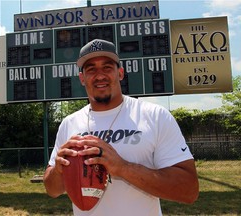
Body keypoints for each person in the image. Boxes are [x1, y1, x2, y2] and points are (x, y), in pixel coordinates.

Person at [43, 39, 199, 216]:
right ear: (82, 78)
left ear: (120, 73)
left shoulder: (154, 115)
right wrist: (58, 170)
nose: (100, 75)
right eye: (91, 69)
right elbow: (52, 190)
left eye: (107, 67)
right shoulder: (69, 123)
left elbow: (189, 190)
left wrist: (123, 168)